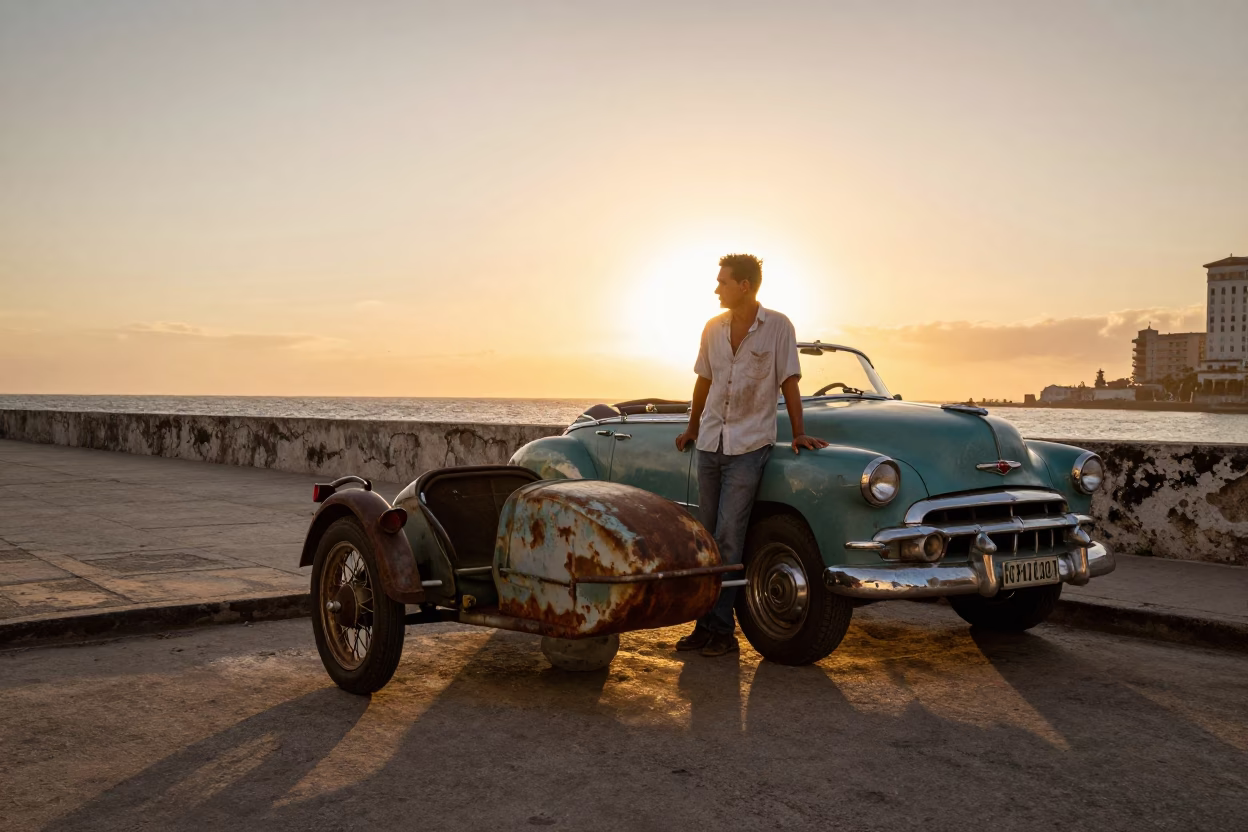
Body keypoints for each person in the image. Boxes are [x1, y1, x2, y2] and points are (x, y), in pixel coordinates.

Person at [673, 253, 829, 657]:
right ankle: (703, 627)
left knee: (729, 537)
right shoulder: (712, 328)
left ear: (744, 285)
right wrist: (692, 428)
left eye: (723, 282)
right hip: (710, 443)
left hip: (749, 446)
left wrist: (798, 433)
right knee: (705, 538)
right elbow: (703, 381)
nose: (716, 288)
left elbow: (789, 382)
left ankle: (723, 631)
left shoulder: (778, 327)